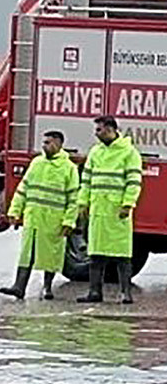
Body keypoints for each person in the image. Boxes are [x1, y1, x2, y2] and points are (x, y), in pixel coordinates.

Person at [1, 130, 80, 301]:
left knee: (50, 255)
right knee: (26, 254)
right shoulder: (36, 163)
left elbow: (73, 199)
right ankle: (19, 286)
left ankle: (47, 287)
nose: (44, 146)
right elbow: (23, 189)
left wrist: (69, 222)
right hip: (33, 217)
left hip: (53, 220)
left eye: (49, 142)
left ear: (59, 145)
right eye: (44, 142)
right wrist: (14, 212)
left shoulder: (69, 168)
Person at [76, 115, 143, 304]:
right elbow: (86, 181)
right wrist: (83, 203)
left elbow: (134, 182)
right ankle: (94, 292)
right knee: (96, 255)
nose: (96, 134)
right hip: (98, 210)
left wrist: (128, 204)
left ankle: (125, 293)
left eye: (99, 129)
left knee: (123, 256)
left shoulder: (129, 153)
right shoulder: (96, 152)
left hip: (117, 212)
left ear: (111, 129)